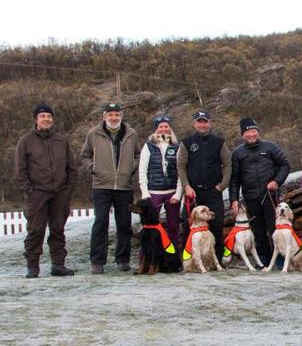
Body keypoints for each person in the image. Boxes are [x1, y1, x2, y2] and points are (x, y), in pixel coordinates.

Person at [15, 103, 78, 278]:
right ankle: (33, 266)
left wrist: (67, 190)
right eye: (43, 116)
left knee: (58, 230)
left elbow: (72, 168)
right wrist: (28, 190)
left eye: (49, 117)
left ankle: (58, 265)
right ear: (36, 119)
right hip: (37, 193)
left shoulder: (61, 140)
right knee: (35, 230)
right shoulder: (26, 141)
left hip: (60, 193)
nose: (46, 119)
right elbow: (20, 169)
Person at [81, 103, 142, 274]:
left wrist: (132, 167)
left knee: (124, 224)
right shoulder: (94, 134)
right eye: (110, 114)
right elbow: (84, 155)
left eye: (117, 114)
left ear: (121, 116)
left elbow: (138, 154)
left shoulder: (132, 134)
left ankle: (123, 260)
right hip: (101, 185)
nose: (114, 118)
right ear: (104, 116)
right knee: (100, 223)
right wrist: (93, 167)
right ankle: (97, 261)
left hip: (124, 186)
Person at [229, 117, 291, 264]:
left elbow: (285, 165)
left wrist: (277, 181)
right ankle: (263, 260)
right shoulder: (237, 153)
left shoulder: (270, 147)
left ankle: (281, 260)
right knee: (258, 231)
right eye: (248, 132)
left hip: (270, 195)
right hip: (251, 198)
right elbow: (234, 179)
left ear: (257, 132)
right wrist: (234, 200)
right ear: (242, 135)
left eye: (253, 131)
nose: (251, 134)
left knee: (274, 228)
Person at [177, 110, 232, 263]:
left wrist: (222, 185)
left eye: (205, 121)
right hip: (193, 193)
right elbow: (181, 166)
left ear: (209, 123)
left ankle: (217, 261)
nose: (202, 124)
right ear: (194, 124)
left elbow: (228, 164)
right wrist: (186, 186)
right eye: (199, 121)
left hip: (213, 192)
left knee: (216, 226)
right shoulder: (186, 143)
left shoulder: (219, 142)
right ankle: (187, 261)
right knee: (188, 228)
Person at [138, 115, 184, 251]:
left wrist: (178, 193)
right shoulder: (149, 146)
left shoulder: (176, 146)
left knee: (173, 226)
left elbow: (181, 170)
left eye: (166, 127)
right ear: (156, 130)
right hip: (153, 193)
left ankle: (173, 256)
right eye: (160, 127)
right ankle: (148, 257)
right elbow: (142, 169)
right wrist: (145, 192)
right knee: (150, 226)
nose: (163, 129)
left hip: (172, 193)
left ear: (170, 129)